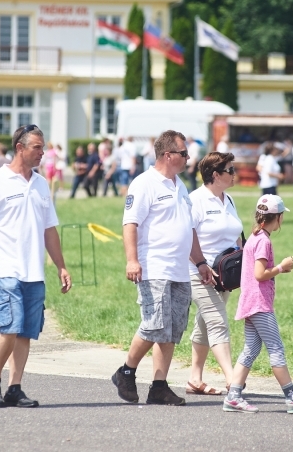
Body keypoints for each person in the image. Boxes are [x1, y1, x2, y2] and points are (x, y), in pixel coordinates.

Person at [0, 124, 72, 408]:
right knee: (9, 326)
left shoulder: (40, 184)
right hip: (5, 269)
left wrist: (61, 267)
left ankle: (15, 387)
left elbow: (49, 230)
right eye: (37, 147)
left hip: (34, 271)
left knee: (26, 330)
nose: (43, 152)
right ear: (19, 148)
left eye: (43, 147)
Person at [112, 130, 214, 406]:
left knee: (171, 329)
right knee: (154, 324)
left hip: (180, 269)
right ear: (168, 155)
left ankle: (158, 386)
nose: (187, 157)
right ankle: (126, 371)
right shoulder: (144, 183)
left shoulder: (180, 185)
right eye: (183, 153)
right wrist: (132, 260)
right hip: (154, 266)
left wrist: (201, 262)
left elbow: (188, 229)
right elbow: (130, 224)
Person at [224, 194, 293, 414]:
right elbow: (260, 274)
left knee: (251, 349)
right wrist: (281, 267)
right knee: (276, 349)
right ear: (276, 218)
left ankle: (233, 396)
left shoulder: (255, 236)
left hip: (251, 302)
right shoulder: (263, 241)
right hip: (259, 304)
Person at [186, 152, 242, 395]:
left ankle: (194, 379)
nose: (234, 174)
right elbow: (187, 235)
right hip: (199, 273)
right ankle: (233, 380)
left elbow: (237, 234)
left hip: (225, 274)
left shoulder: (227, 199)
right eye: (230, 170)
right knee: (217, 321)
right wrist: (201, 264)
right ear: (215, 175)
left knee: (205, 323)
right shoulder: (195, 200)